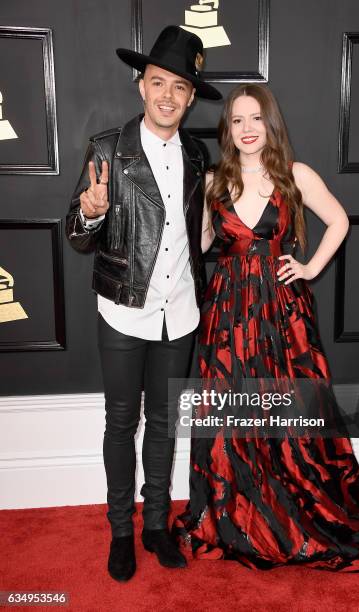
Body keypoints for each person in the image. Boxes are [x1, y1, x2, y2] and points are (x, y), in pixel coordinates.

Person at [174, 83, 359, 571]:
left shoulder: (295, 175)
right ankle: (237, 512)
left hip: (282, 312)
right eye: (236, 121)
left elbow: (339, 221)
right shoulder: (216, 180)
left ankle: (303, 510)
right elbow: (199, 242)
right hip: (230, 313)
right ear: (228, 129)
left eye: (255, 118)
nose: (247, 129)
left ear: (270, 122)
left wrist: (310, 267)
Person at [65, 25, 222, 582]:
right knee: (120, 422)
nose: (168, 96)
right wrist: (90, 211)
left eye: (180, 87)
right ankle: (121, 531)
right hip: (124, 310)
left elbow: (195, 235)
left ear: (189, 97)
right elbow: (78, 235)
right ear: (141, 85)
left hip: (179, 312)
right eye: (159, 83)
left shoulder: (200, 155)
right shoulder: (108, 148)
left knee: (163, 423)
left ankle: (156, 524)